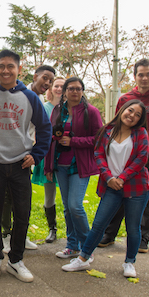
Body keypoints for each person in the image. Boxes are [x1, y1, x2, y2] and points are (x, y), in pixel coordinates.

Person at [0, 49, 51, 283]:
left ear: (19, 69)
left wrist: (36, 155)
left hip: (20, 164)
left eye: (10, 66)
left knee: (22, 214)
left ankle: (16, 260)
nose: (5, 70)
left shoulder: (29, 97)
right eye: (1, 66)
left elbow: (45, 128)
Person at [61, 100, 149, 278]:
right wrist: (109, 177)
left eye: (137, 114)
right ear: (122, 110)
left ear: (140, 120)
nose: (131, 115)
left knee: (133, 228)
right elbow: (98, 154)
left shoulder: (141, 133)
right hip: (111, 186)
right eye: (130, 110)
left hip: (136, 188)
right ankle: (83, 258)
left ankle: (129, 262)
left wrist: (121, 178)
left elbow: (141, 159)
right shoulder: (106, 131)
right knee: (99, 224)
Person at [98, 59, 149, 252]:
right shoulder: (126, 99)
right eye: (141, 74)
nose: (144, 77)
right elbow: (117, 126)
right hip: (125, 159)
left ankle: (142, 238)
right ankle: (109, 234)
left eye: (148, 74)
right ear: (135, 76)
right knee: (118, 194)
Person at [43, 77, 103, 259]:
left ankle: (87, 248)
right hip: (60, 165)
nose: (74, 92)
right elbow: (49, 138)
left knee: (75, 206)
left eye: (78, 88)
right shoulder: (57, 111)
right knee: (67, 208)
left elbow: (99, 139)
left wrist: (74, 141)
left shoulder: (91, 112)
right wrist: (48, 166)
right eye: (71, 88)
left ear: (82, 91)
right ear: (65, 91)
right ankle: (72, 246)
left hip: (79, 165)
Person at [26, 65, 57, 249]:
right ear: (35, 76)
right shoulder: (21, 93)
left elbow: (43, 130)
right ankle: (5, 238)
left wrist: (35, 154)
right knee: (7, 200)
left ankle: (19, 237)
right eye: (45, 78)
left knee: (22, 200)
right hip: (10, 153)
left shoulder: (38, 98)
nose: (47, 83)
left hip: (27, 154)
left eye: (50, 81)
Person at [42, 76, 64, 243]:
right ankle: (52, 229)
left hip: (65, 157)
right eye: (56, 86)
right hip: (48, 157)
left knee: (68, 197)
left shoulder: (70, 108)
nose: (59, 89)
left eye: (63, 86)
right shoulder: (44, 108)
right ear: (51, 88)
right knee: (49, 195)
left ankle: (72, 230)